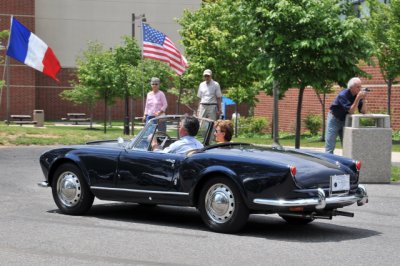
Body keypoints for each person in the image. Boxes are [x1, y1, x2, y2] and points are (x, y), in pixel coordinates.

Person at [325, 77, 368, 153]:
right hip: (334, 120)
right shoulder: (343, 95)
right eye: (358, 87)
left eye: (360, 86)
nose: (360, 89)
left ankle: (346, 164)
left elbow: (363, 111)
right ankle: (328, 164)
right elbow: (351, 111)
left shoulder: (358, 95)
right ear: (351, 87)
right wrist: (358, 98)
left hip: (345, 120)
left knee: (347, 145)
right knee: (330, 146)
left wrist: (364, 99)